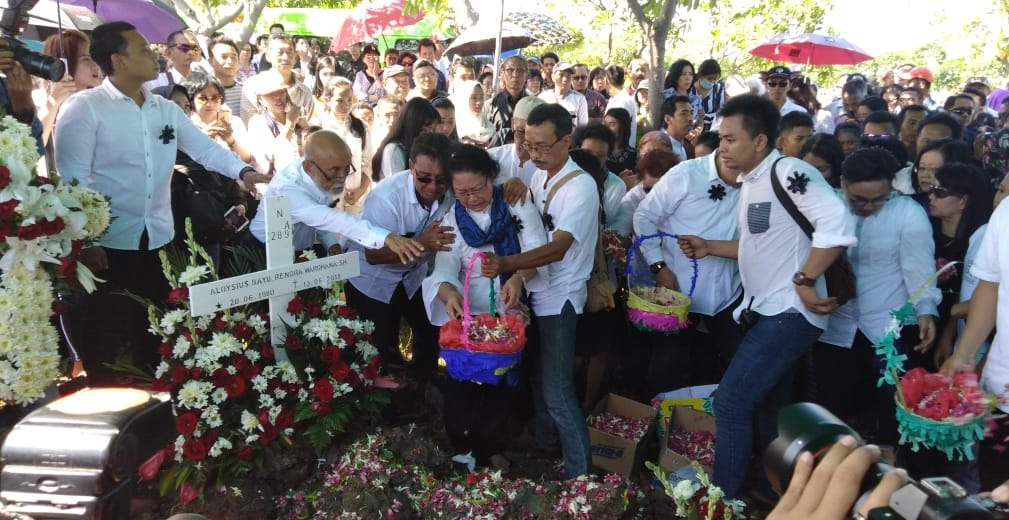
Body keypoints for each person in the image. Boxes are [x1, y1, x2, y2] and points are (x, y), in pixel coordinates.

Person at [54, 22, 271, 385]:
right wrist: (86, 242)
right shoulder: (84, 108)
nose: (154, 54)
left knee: (157, 330)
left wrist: (245, 172)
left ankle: (159, 410)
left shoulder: (164, 109)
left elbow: (204, 149)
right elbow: (71, 181)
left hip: (159, 239)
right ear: (117, 60)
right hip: (107, 245)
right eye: (141, 49)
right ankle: (111, 408)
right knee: (109, 334)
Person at [678, 94, 856, 500]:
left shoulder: (788, 170)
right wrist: (710, 246)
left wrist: (805, 279)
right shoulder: (754, 182)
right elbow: (760, 245)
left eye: (730, 139)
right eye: (720, 139)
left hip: (788, 313)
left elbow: (838, 225)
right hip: (767, 309)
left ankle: (723, 498)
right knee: (766, 406)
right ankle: (770, 492)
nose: (721, 147)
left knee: (729, 404)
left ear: (760, 141)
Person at [480, 103, 598, 478]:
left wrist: (509, 267)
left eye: (544, 146)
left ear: (567, 141)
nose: (535, 154)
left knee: (560, 391)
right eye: (529, 146)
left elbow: (558, 246)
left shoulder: (581, 187)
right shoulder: (537, 174)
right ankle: (547, 446)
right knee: (537, 377)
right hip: (535, 289)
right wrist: (517, 277)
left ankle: (581, 477)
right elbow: (529, 229)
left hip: (560, 296)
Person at [421, 144, 547, 473]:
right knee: (462, 386)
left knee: (501, 385)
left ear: (492, 177)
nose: (472, 198)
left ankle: (493, 448)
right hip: (469, 316)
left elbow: (539, 252)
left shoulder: (515, 204)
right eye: (462, 192)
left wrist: (518, 279)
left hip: (508, 311)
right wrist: (448, 295)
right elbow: (445, 270)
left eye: (477, 189)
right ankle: (463, 448)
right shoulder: (452, 218)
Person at [814, 147, 939, 450]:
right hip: (836, 323)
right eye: (858, 199)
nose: (868, 207)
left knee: (891, 404)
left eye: (878, 199)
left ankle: (888, 467)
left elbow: (918, 267)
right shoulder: (826, 206)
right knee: (834, 400)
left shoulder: (908, 212)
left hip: (887, 323)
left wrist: (925, 310)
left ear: (891, 187)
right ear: (842, 183)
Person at [634, 137, 743, 394]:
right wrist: (658, 267)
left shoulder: (758, 180)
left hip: (728, 293)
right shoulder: (686, 174)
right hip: (678, 289)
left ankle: (710, 425)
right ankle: (665, 425)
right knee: (668, 368)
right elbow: (644, 217)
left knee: (730, 368)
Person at [346, 132, 455, 383]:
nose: (432, 187)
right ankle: (382, 411)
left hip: (412, 277)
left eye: (442, 180)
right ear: (411, 166)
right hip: (372, 281)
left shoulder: (449, 192)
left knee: (430, 329)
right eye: (424, 178)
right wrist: (421, 244)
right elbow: (373, 255)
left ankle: (420, 387)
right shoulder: (386, 198)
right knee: (376, 347)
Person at [249, 130, 421, 260]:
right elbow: (327, 217)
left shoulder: (319, 169)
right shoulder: (289, 189)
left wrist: (331, 243)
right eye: (335, 170)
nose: (342, 177)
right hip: (262, 252)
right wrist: (386, 237)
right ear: (309, 167)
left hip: (300, 251)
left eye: (347, 169)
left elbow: (319, 214)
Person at [319, 77, 372, 216]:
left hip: (354, 194)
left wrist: (361, 190)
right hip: (328, 196)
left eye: (349, 100)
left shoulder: (360, 127)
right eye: (340, 100)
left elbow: (368, 162)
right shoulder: (319, 127)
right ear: (327, 100)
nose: (346, 105)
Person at [239, 34, 313, 126]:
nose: (285, 58)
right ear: (268, 56)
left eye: (290, 53)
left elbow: (308, 129)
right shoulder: (252, 86)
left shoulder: (304, 92)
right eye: (280, 53)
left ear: (295, 58)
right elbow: (250, 126)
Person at [372, 97, 440, 181]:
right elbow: (398, 186)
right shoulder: (394, 150)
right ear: (412, 126)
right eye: (425, 130)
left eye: (433, 130)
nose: (430, 134)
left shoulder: (423, 148)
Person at [487, 96, 544, 186]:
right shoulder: (493, 157)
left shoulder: (548, 168)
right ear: (513, 123)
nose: (526, 141)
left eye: (534, 135)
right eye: (521, 132)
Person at [485, 56, 528, 148]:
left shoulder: (535, 105)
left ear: (526, 75)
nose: (515, 75)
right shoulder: (490, 105)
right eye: (510, 70)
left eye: (520, 71)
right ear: (502, 74)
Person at [538, 62, 588, 127]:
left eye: (568, 76)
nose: (565, 79)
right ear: (553, 77)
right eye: (561, 75)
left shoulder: (580, 99)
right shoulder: (543, 97)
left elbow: (583, 127)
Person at [451, 79, 494, 146]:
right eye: (474, 98)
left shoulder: (487, 124)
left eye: (481, 98)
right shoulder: (456, 126)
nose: (478, 102)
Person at [605, 65, 637, 149]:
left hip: (623, 152)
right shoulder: (613, 100)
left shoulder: (624, 101)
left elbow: (619, 131)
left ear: (606, 81)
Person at [603, 107, 637, 181]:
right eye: (605, 124)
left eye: (612, 124)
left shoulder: (635, 155)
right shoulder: (599, 153)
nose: (606, 128)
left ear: (623, 126)